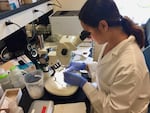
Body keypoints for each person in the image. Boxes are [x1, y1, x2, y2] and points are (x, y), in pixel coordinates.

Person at [63, 0, 150, 113]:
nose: (89, 37)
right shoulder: (114, 41)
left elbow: (112, 109)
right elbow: (109, 70)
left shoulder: (131, 65)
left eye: (89, 32)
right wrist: (86, 66)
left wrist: (83, 84)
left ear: (103, 25)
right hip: (105, 98)